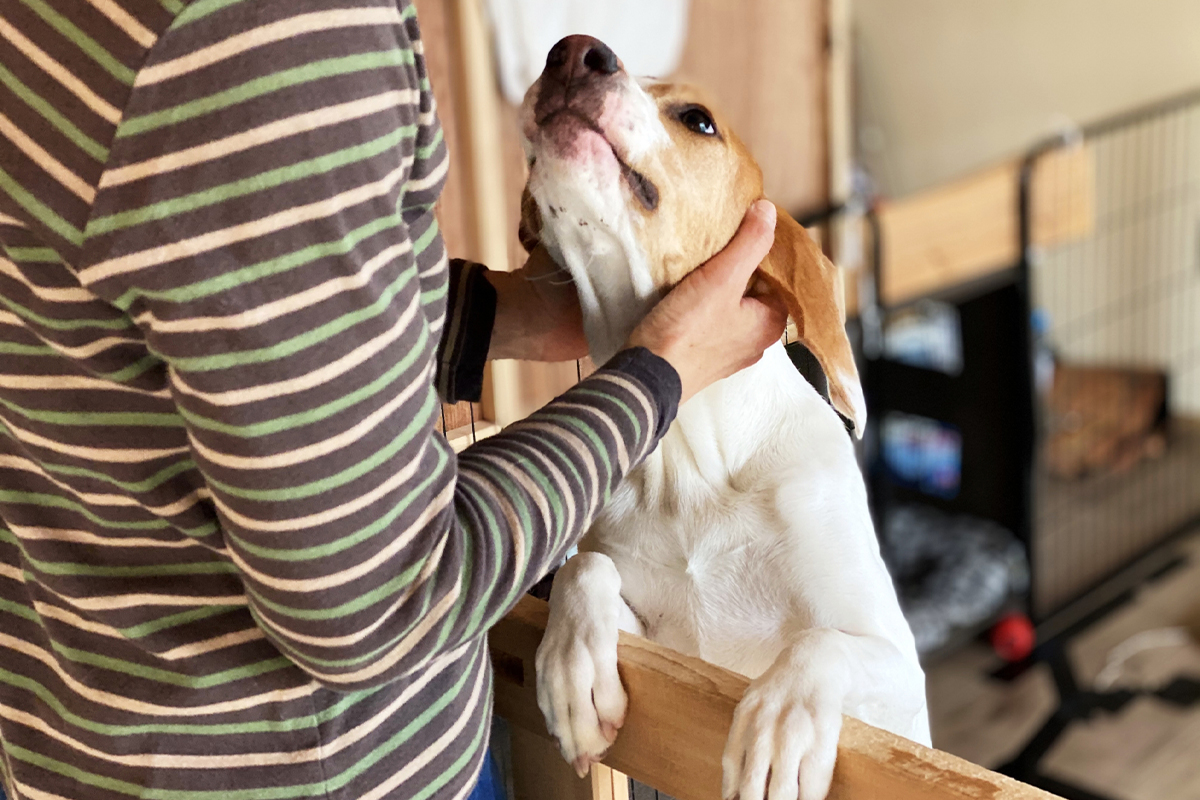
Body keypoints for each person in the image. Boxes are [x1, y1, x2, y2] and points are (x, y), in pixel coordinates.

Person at [0, 1, 785, 798]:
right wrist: (656, 376)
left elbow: (218, 310)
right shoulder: (266, 36)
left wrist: (490, 321)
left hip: (77, 727)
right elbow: (384, 599)